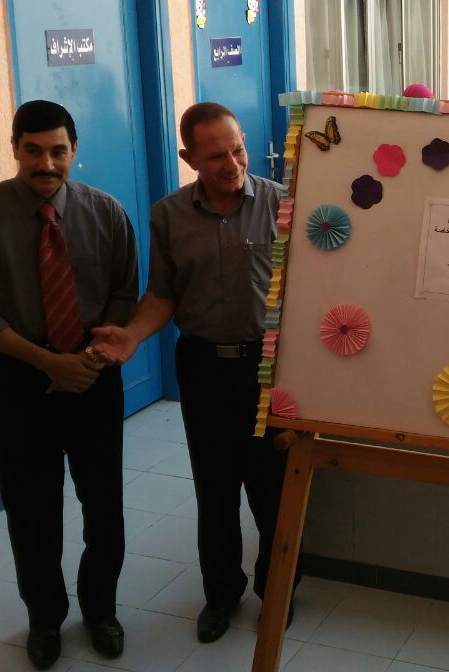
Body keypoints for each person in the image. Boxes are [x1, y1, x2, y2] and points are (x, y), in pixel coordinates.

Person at [92, 102, 296, 643]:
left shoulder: (282, 203)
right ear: (189, 159)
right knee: (215, 488)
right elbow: (162, 294)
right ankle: (221, 594)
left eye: (237, 150)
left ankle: (277, 589)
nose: (232, 164)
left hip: (270, 366)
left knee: (272, 489)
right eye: (215, 157)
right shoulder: (169, 216)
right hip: (204, 368)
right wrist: (133, 334)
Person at [0, 100, 136, 669]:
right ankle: (45, 619)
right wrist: (50, 363)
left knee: (104, 507)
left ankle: (101, 610)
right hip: (19, 382)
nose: (46, 164)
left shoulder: (106, 213)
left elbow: (124, 295)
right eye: (33, 151)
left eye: (57, 151)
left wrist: (86, 361)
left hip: (94, 380)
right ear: (15, 149)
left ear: (74, 150)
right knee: (32, 512)